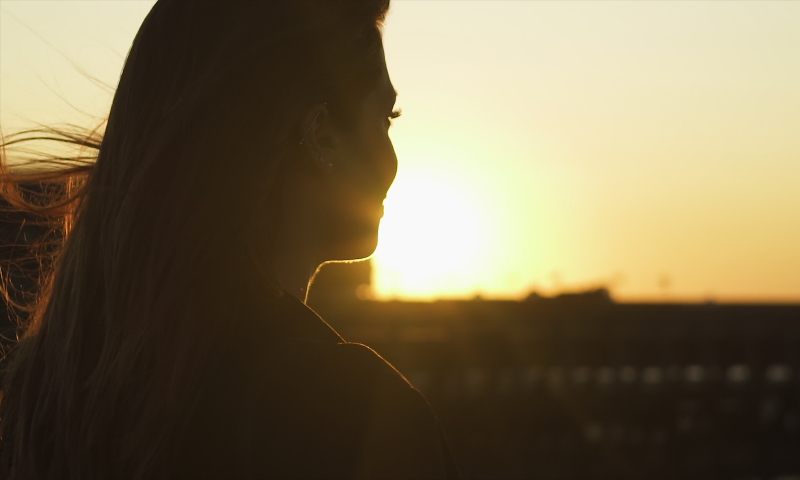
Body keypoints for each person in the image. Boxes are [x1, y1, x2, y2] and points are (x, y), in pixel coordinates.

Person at [0, 1, 459, 478]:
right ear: (320, 135)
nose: (392, 157)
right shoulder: (350, 414)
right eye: (387, 117)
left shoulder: (49, 401)